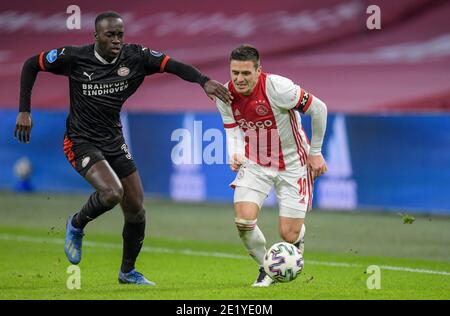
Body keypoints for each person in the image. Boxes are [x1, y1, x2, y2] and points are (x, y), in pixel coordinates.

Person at [14, 11, 233, 286]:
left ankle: (127, 272)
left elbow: (173, 65)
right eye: (110, 35)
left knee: (136, 209)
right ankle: (77, 223)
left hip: (113, 140)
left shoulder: (136, 57)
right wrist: (24, 110)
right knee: (111, 193)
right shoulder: (74, 57)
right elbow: (30, 64)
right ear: (96, 36)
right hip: (80, 140)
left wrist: (203, 81)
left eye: (120, 34)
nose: (117, 40)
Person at [215, 45, 328, 287]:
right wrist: (234, 152)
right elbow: (232, 127)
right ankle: (266, 269)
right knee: (243, 222)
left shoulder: (278, 88)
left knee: (289, 234)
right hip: (256, 163)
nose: (239, 79)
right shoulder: (225, 94)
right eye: (235, 72)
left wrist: (315, 153)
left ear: (258, 70)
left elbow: (319, 109)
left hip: (293, 165)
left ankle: (297, 237)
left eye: (246, 73)